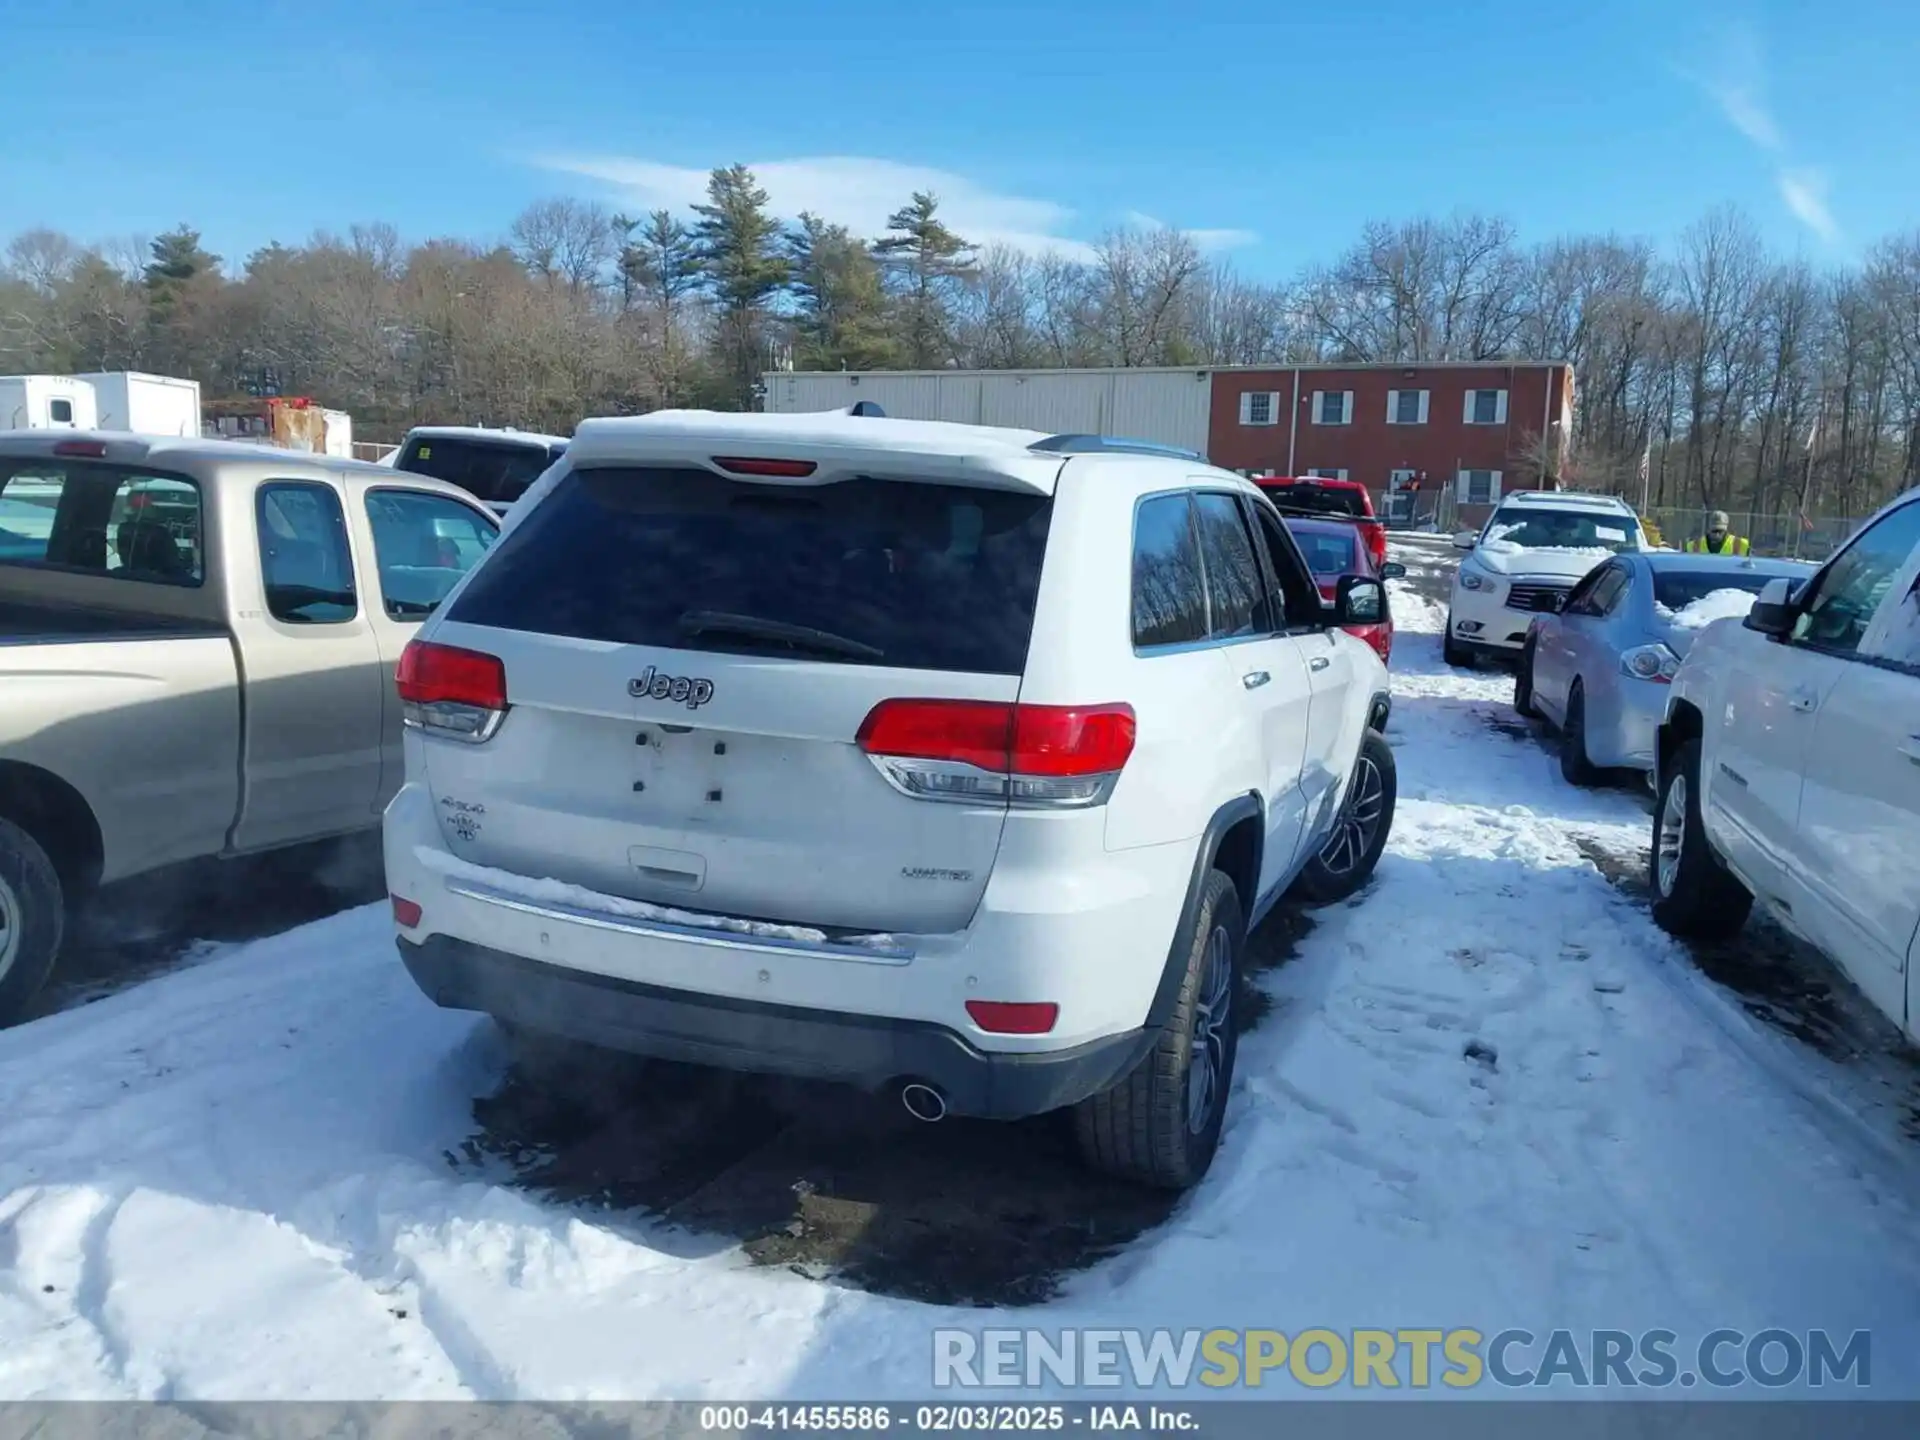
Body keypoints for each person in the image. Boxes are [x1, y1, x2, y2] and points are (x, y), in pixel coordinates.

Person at [1686, 511, 1750, 555]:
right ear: (1709, 529)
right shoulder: (1693, 546)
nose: (1717, 534)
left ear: (1726, 530)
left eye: (1720, 531)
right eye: (1714, 531)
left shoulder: (1742, 545)